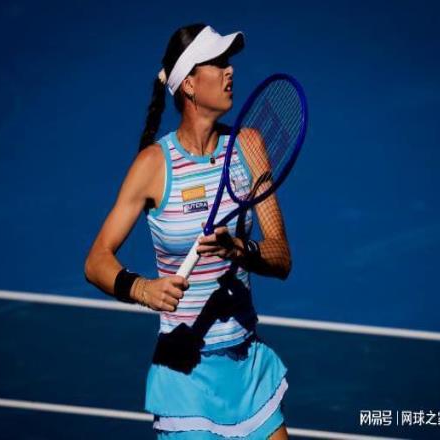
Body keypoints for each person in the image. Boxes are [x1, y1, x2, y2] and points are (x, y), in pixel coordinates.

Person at [84, 23, 292, 439]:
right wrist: (141, 288)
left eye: (228, 62)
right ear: (190, 85)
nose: (230, 70)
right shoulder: (152, 166)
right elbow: (96, 260)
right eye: (218, 63)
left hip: (248, 371)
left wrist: (240, 249)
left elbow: (281, 257)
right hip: (184, 379)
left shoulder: (249, 146)